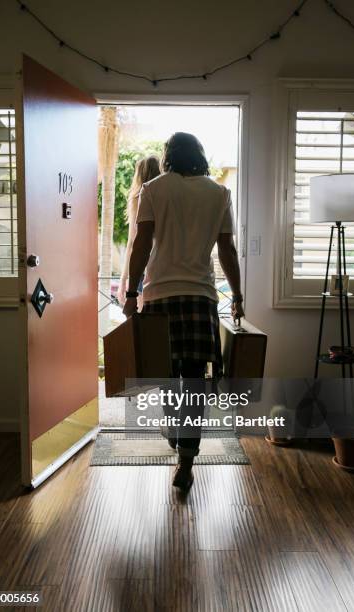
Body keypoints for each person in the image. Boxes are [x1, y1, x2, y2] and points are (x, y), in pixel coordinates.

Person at [123, 132, 244, 490]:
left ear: (168, 157)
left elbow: (141, 244)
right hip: (200, 297)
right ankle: (186, 460)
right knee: (194, 381)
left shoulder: (155, 189)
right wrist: (237, 296)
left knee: (165, 375)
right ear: (200, 156)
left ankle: (175, 431)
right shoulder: (219, 193)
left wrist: (131, 293)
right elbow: (228, 252)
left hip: (160, 295)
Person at [117, 156, 160, 307]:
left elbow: (132, 243)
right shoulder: (164, 196)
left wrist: (124, 280)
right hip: (161, 266)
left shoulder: (139, 198)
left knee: (143, 321)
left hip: (143, 267)